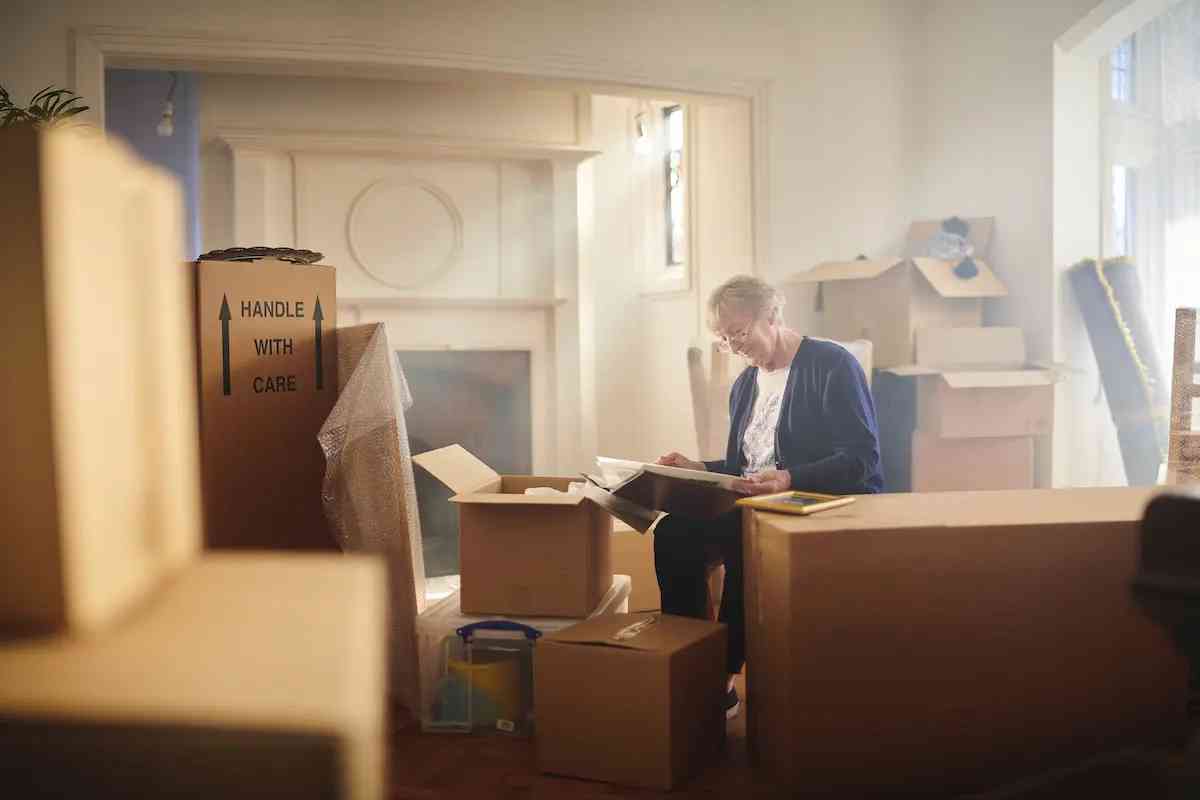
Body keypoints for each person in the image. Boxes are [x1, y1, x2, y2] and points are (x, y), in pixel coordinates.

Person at [653, 274, 882, 719]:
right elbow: (745, 471)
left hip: (821, 504)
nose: (734, 347)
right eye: (722, 339)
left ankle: (718, 680)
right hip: (763, 502)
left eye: (739, 333)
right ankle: (688, 661)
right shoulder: (746, 384)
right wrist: (700, 470)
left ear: (773, 317)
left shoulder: (831, 365)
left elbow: (863, 460)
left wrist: (789, 477)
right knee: (673, 534)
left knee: (745, 539)